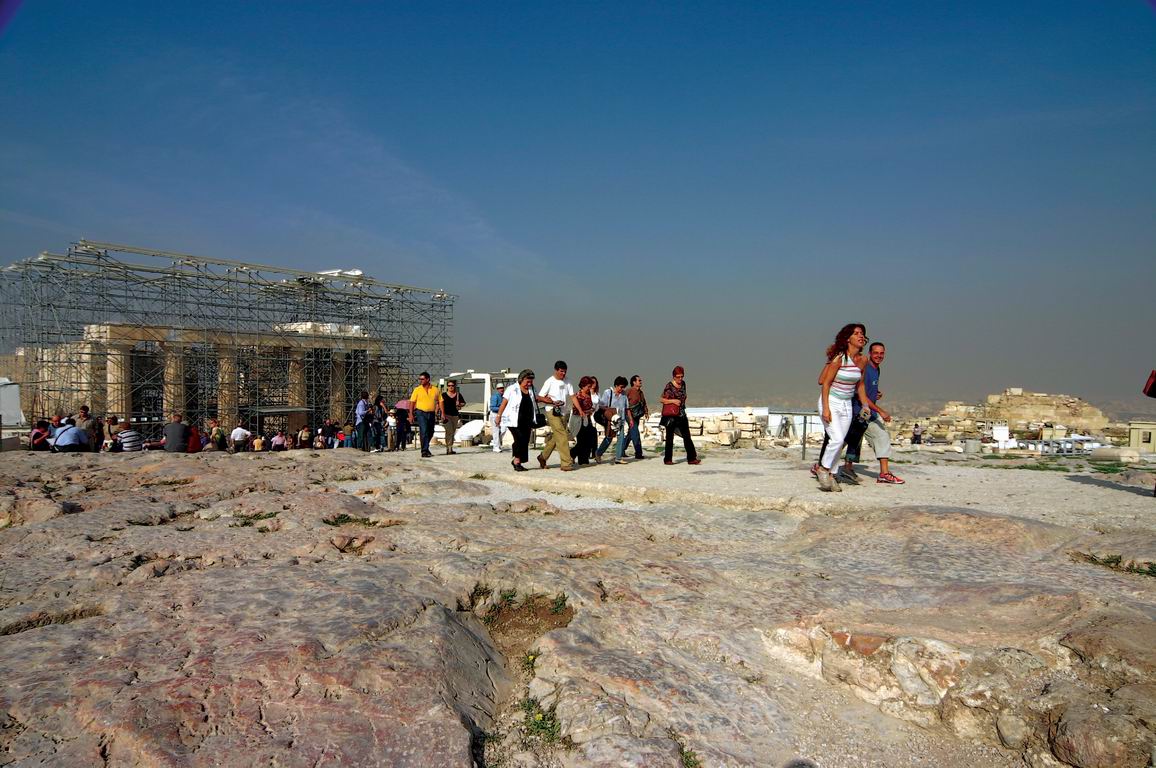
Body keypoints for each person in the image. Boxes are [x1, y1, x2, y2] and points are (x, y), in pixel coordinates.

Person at [815, 324, 872, 492]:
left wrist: (865, 405)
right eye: (856, 333)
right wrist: (826, 408)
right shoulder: (839, 358)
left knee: (840, 443)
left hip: (847, 404)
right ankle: (823, 468)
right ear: (848, 338)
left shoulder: (863, 360)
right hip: (831, 401)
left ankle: (831, 475)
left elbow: (860, 385)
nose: (861, 336)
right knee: (837, 439)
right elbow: (825, 383)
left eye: (862, 334)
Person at [841, 342, 904, 485]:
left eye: (881, 353)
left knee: (879, 436)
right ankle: (825, 466)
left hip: (869, 413)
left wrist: (876, 393)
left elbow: (867, 389)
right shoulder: (865, 368)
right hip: (859, 412)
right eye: (876, 353)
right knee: (847, 441)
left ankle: (883, 473)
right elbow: (860, 393)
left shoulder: (877, 369)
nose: (879, 356)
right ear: (870, 353)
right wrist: (880, 410)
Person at [537, 361, 577, 471]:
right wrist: (551, 402)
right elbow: (539, 397)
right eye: (561, 371)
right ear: (556, 370)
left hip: (563, 412)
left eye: (565, 371)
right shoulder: (549, 381)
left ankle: (542, 457)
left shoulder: (568, 381)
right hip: (551, 411)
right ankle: (566, 463)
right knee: (562, 435)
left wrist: (580, 409)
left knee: (557, 436)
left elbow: (573, 396)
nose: (563, 373)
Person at [496, 369, 539, 472]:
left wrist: (550, 401)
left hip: (527, 420)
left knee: (525, 440)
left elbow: (536, 399)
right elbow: (504, 403)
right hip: (513, 419)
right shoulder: (512, 389)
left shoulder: (532, 389)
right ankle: (516, 461)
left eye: (531, 381)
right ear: (521, 379)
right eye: (527, 381)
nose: (529, 384)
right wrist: (499, 416)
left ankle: (518, 461)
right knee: (519, 439)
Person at [660, 366, 701, 466]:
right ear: (674, 377)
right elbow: (661, 399)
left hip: (681, 414)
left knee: (687, 436)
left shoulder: (683, 384)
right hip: (671, 415)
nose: (680, 379)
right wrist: (673, 401)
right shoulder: (669, 386)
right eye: (678, 377)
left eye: (682, 376)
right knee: (670, 438)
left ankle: (692, 458)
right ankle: (668, 459)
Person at [596, 376, 634, 464]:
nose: (622, 389)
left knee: (621, 438)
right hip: (611, 420)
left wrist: (630, 420)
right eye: (621, 387)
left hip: (621, 420)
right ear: (616, 385)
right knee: (609, 438)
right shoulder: (608, 393)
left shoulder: (624, 395)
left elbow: (627, 408)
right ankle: (598, 453)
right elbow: (601, 405)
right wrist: (611, 412)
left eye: (624, 387)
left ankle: (618, 458)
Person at [409, 372, 442, 458]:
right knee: (424, 431)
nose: (421, 381)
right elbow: (412, 402)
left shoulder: (435, 389)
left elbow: (440, 401)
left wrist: (443, 413)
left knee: (431, 431)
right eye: (420, 379)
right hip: (421, 412)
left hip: (431, 413)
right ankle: (424, 451)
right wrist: (411, 414)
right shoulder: (417, 389)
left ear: (428, 379)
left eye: (422, 379)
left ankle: (426, 448)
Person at [572, 377, 598, 465]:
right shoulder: (578, 396)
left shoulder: (588, 395)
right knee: (582, 441)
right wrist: (586, 411)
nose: (589, 388)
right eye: (588, 386)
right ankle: (575, 456)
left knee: (589, 439)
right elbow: (575, 410)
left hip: (588, 420)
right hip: (579, 421)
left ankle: (582, 458)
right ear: (583, 386)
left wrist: (591, 410)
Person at [626, 375, 649, 460]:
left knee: (631, 434)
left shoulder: (641, 392)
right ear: (634, 382)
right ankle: (638, 453)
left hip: (637, 415)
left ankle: (621, 450)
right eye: (639, 380)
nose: (641, 382)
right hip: (629, 415)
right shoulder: (629, 391)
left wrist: (646, 412)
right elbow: (623, 402)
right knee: (635, 432)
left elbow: (644, 403)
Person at [441, 380, 466, 455]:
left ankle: (450, 448)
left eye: (452, 385)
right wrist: (440, 414)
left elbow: (464, 403)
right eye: (449, 385)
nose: (450, 387)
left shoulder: (458, 395)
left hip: (455, 415)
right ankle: (448, 448)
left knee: (452, 432)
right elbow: (439, 404)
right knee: (449, 431)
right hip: (446, 415)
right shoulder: (443, 395)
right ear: (447, 387)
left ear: (454, 386)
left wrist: (459, 404)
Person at [490, 383, 507, 453]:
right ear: (497, 389)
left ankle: (497, 443)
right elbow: (492, 407)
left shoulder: (504, 397)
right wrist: (502, 408)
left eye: (502, 388)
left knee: (504, 429)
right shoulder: (495, 396)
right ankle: (496, 447)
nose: (501, 389)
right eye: (500, 388)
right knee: (496, 431)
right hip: (495, 414)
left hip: (502, 414)